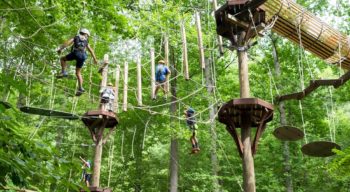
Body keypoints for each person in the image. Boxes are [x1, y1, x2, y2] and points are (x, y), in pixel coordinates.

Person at [57, 28, 98, 96]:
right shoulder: (86, 41)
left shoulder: (76, 37)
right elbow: (91, 50)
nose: (87, 37)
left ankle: (64, 72)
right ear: (85, 34)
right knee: (78, 73)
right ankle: (80, 88)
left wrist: (60, 49)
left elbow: (67, 43)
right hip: (83, 56)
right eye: (87, 35)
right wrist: (95, 59)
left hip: (76, 53)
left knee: (62, 59)